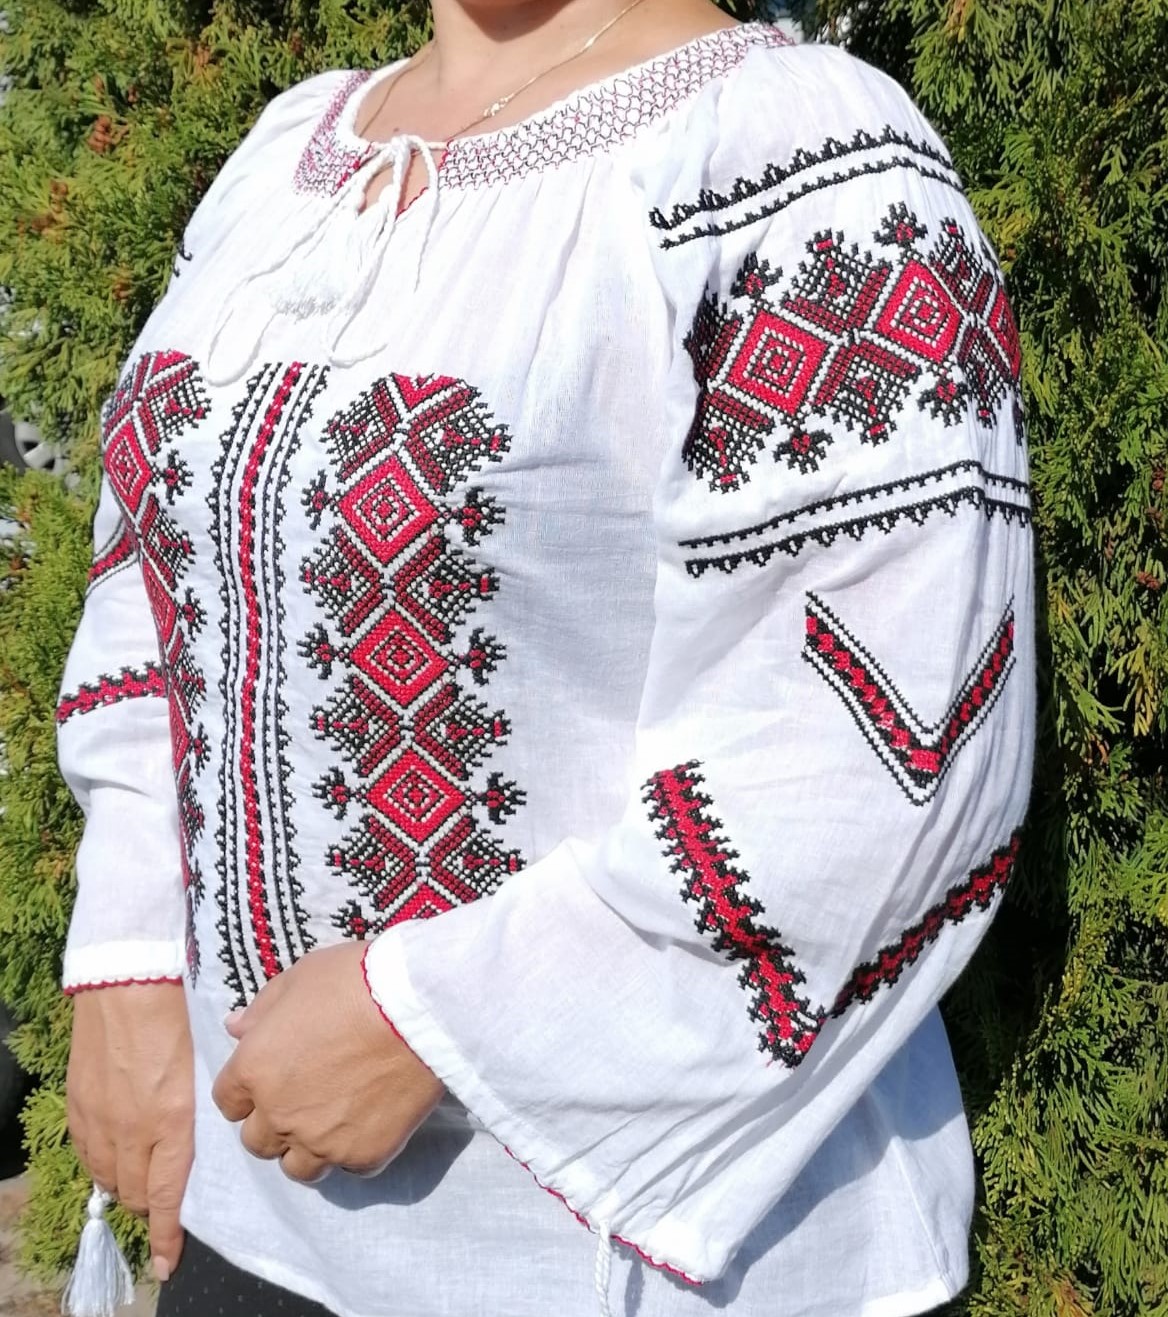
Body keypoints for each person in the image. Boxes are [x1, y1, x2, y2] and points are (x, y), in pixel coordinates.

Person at [57, 0, 1036, 1313]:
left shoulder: (800, 161)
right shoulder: (290, 158)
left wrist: (433, 1017)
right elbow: (151, 571)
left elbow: (894, 743)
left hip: (635, 1260)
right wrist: (127, 952)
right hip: (254, 1222)